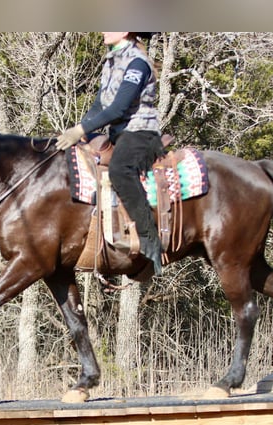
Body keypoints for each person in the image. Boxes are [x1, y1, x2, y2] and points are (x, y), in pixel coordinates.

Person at [56, 32, 164, 276]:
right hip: (119, 132)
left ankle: (149, 238)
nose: (104, 30)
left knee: (119, 170)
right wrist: (80, 131)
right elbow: (99, 106)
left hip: (139, 133)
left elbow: (119, 108)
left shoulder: (137, 62)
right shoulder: (112, 61)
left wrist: (81, 130)